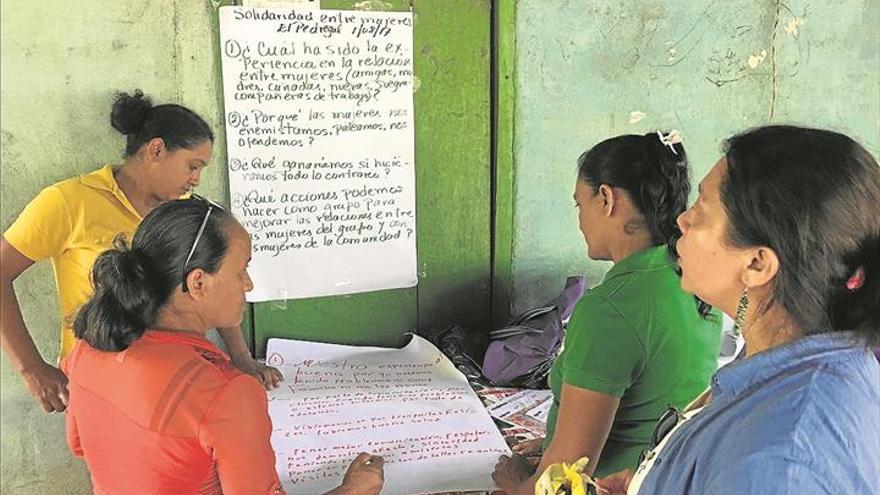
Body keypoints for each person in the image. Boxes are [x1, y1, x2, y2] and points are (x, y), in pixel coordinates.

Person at [596, 125, 880, 494]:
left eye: (701, 209)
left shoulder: (781, 464)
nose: (682, 220)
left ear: (757, 264)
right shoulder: (793, 355)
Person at [62, 196, 385, 494]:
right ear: (198, 283)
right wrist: (350, 491)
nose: (248, 283)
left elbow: (81, 446)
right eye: (241, 268)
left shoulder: (89, 350)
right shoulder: (223, 391)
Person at [0, 90, 280, 414]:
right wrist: (31, 368)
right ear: (157, 150)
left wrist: (242, 359)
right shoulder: (68, 201)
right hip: (103, 385)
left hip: (179, 381)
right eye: (193, 166)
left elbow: (216, 285)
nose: (196, 180)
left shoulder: (189, 213)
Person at [493, 132, 722, 494]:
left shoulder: (610, 310)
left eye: (579, 205)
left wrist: (512, 483)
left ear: (606, 199)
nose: (580, 220)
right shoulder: (695, 282)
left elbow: (561, 483)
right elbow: (649, 406)